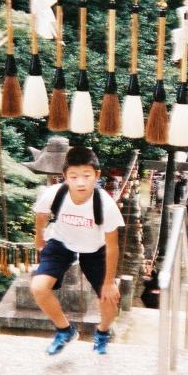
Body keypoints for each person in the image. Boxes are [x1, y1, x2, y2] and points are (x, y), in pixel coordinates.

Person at [31, 146, 125, 356]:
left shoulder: (106, 205)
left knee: (110, 299)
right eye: (73, 176)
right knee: (38, 287)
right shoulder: (55, 194)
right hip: (61, 243)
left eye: (86, 175)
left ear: (96, 175)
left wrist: (109, 283)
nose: (80, 182)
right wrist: (39, 237)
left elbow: (112, 245)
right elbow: (41, 214)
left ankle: (102, 333)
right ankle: (65, 331)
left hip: (95, 248)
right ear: (64, 176)